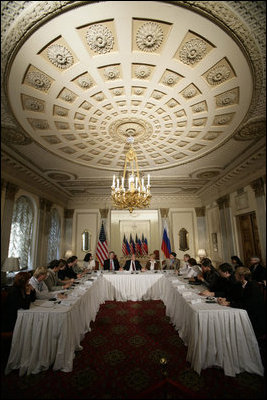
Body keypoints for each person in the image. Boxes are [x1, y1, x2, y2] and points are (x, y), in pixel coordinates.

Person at [217, 267, 266, 338]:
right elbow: (235, 296)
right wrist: (225, 299)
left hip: (255, 318)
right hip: (245, 312)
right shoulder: (239, 284)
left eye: (236, 274)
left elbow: (248, 305)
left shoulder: (253, 286)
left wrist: (229, 303)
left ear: (242, 276)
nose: (234, 276)